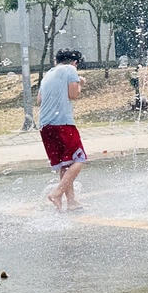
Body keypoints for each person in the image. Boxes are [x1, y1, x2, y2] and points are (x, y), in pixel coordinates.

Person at [38, 49, 87, 210]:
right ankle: (57, 193)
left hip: (45, 126)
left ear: (56, 61)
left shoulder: (48, 74)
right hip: (62, 124)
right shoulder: (71, 70)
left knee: (65, 163)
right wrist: (80, 83)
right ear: (75, 62)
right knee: (79, 160)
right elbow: (73, 95)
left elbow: (39, 100)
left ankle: (71, 201)